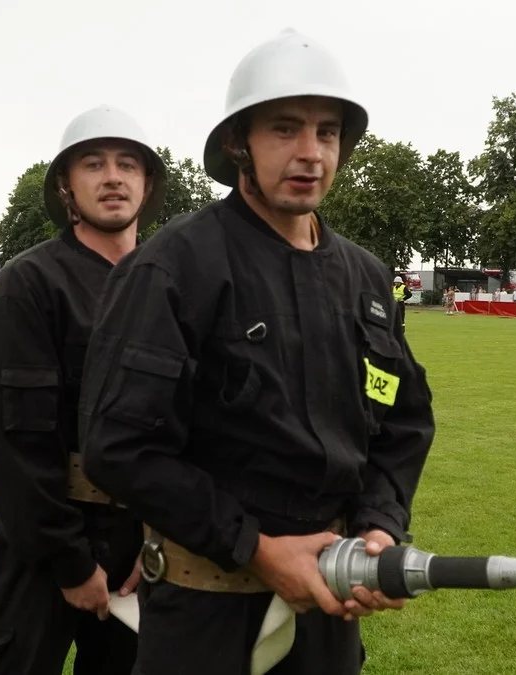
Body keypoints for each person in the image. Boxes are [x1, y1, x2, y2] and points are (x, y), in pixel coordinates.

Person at [78, 29, 436, 675]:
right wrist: (256, 546)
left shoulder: (366, 278)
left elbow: (403, 420)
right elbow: (120, 446)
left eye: (327, 132)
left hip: (330, 605)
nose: (309, 153)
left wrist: (380, 526)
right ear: (239, 141)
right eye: (284, 129)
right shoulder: (173, 267)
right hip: (204, 613)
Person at [0, 105, 166, 675]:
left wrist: (159, 532)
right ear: (65, 183)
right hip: (42, 544)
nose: (113, 177)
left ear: (147, 183)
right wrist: (71, 563)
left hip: (142, 547)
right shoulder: (27, 286)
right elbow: (15, 444)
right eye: (94, 163)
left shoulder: (170, 285)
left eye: (128, 164)